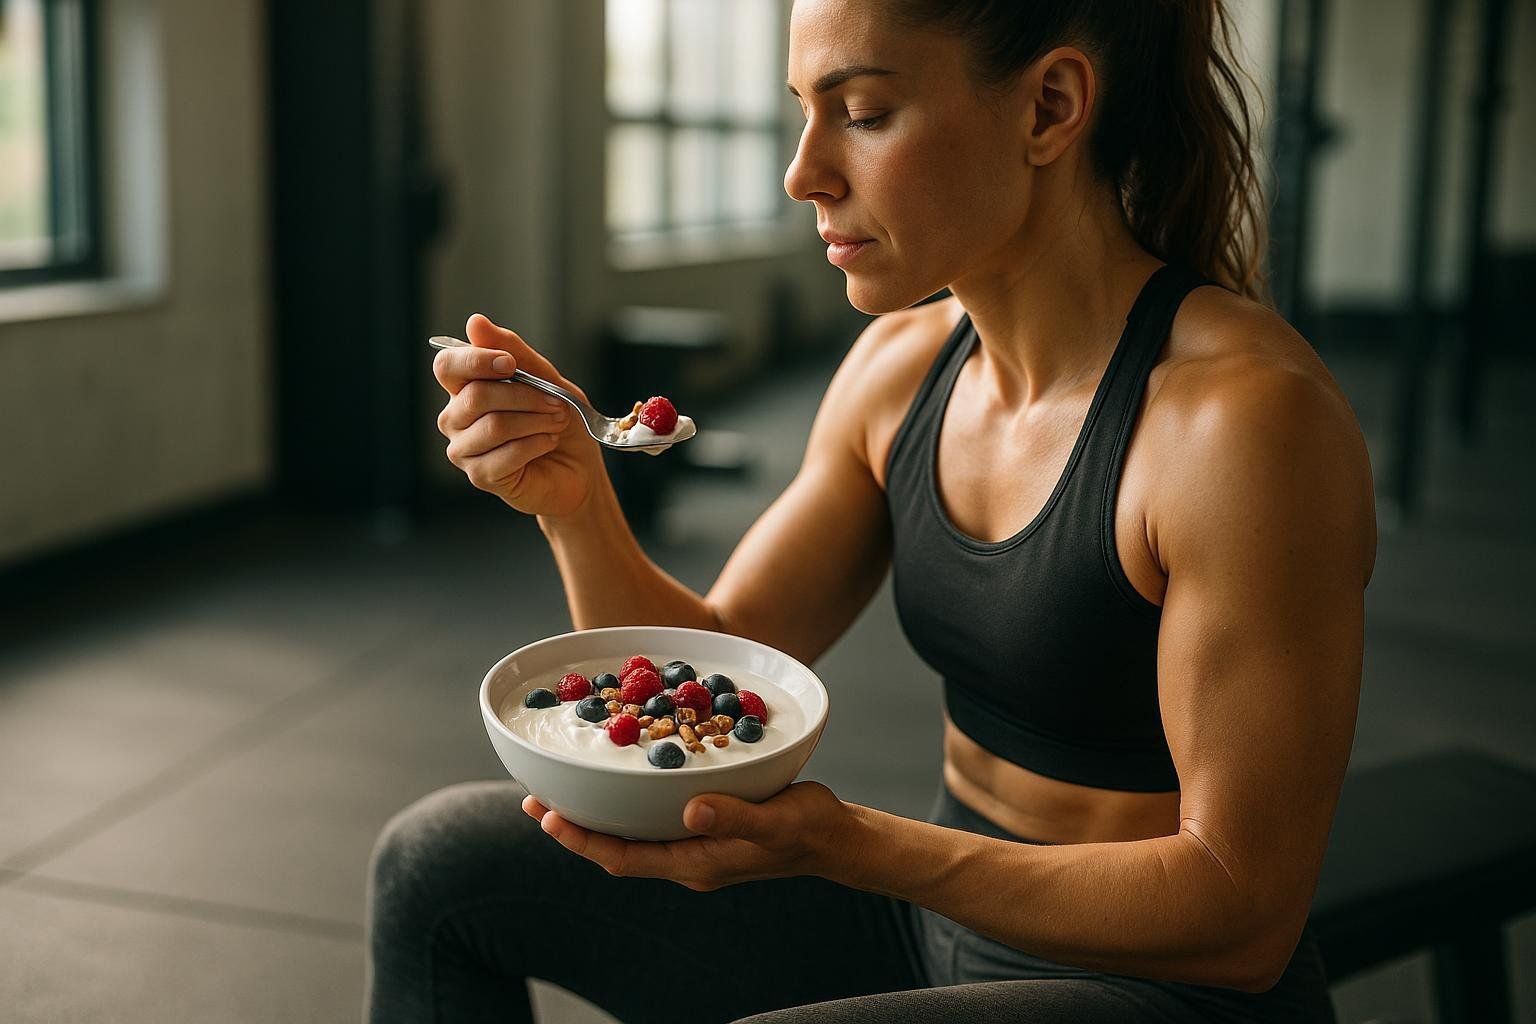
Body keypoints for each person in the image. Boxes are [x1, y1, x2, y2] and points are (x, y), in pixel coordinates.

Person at [366, 0, 1376, 1020]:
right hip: (933, 924)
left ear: (1049, 109)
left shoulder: (1241, 424)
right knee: (436, 867)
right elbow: (715, 655)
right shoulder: (900, 372)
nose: (804, 172)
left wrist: (852, 846)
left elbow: (1244, 915)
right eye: (805, 110)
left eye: (864, 112)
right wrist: (577, 503)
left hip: (1160, 986)